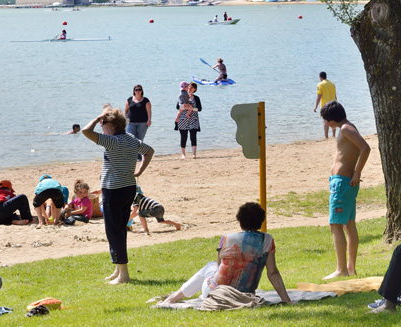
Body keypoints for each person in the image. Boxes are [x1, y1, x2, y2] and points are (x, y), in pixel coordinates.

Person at [160, 202, 291, 306]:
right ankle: (175, 298)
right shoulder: (267, 240)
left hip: (217, 294)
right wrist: (286, 300)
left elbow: (219, 267)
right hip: (245, 295)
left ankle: (173, 298)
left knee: (210, 266)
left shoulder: (227, 239)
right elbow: (272, 273)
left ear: (240, 220)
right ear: (261, 221)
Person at [81, 104, 154, 285]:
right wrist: (139, 171)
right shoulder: (130, 138)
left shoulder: (112, 141)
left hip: (113, 190)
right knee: (120, 229)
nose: (101, 127)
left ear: (112, 126)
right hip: (128, 187)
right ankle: (118, 269)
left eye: (104, 124)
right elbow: (149, 151)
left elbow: (85, 131)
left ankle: (124, 275)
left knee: (114, 231)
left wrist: (99, 117)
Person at [320, 101, 371, 280]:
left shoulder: (346, 129)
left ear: (331, 120)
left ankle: (341, 269)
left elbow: (365, 148)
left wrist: (357, 173)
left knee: (335, 224)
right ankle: (350, 269)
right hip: (341, 182)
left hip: (343, 183)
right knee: (348, 224)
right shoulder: (346, 128)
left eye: (325, 120)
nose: (325, 124)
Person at [176, 83, 201, 159]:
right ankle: (183, 154)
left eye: (192, 87)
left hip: (193, 119)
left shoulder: (196, 98)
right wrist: (185, 107)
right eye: (189, 86)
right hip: (183, 119)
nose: (190, 88)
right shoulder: (183, 96)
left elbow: (199, 109)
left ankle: (194, 154)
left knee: (193, 136)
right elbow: (178, 107)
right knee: (183, 137)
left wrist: (192, 109)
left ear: (195, 89)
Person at [313, 72, 338, 138]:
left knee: (325, 121)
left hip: (325, 106)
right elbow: (335, 96)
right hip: (333, 105)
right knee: (333, 121)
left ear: (320, 77)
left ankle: (326, 137)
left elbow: (319, 96)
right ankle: (333, 135)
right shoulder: (332, 84)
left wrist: (316, 107)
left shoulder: (320, 84)